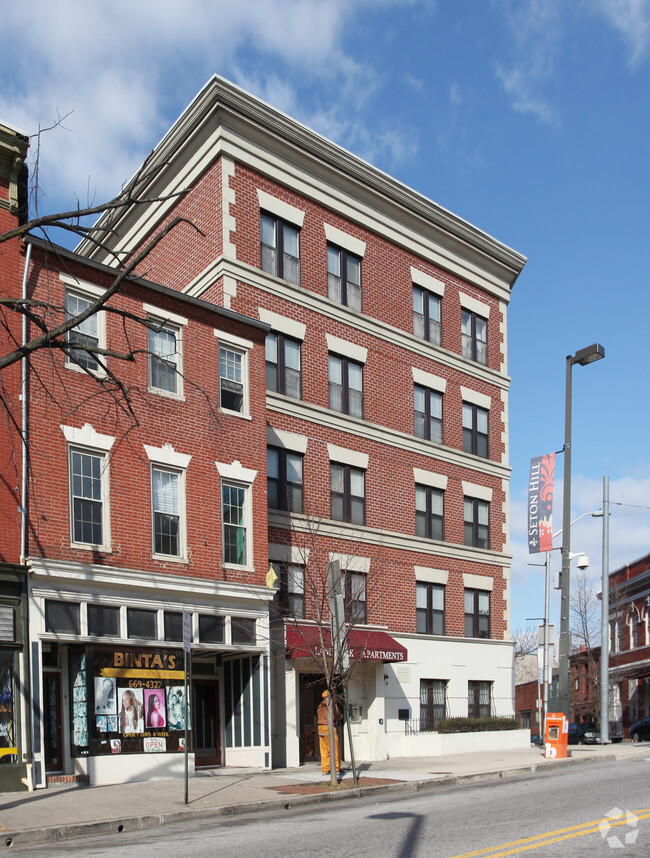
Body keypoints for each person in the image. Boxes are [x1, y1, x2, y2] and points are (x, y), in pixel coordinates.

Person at [317, 689, 342, 776]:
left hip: (320, 728)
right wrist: (340, 716)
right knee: (335, 749)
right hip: (329, 727)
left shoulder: (320, 705)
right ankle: (336, 769)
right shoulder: (331, 704)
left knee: (324, 750)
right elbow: (337, 715)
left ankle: (325, 770)